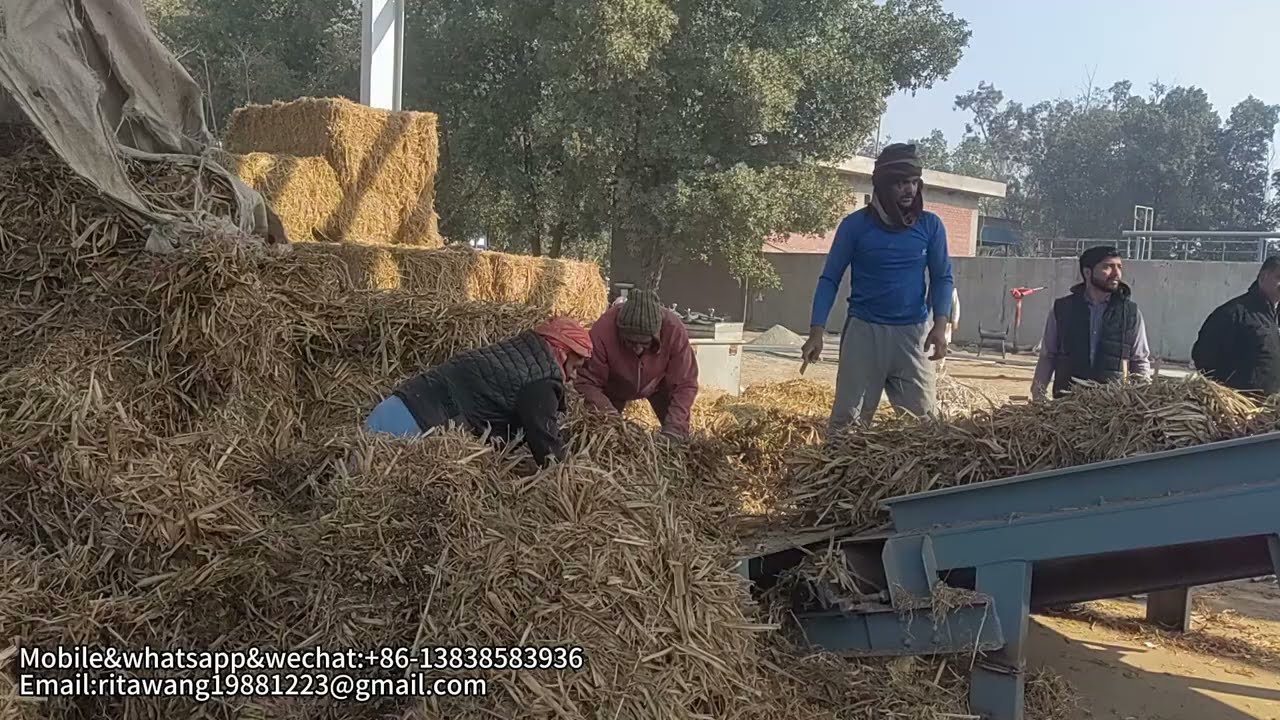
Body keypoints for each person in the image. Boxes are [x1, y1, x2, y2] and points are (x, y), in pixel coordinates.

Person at [800, 143, 954, 434]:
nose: (909, 190)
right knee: (847, 428)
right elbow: (830, 278)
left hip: (913, 336)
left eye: (913, 182)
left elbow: (942, 276)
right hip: (864, 335)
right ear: (883, 186)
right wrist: (816, 332)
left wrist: (940, 323)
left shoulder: (930, 226)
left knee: (926, 429)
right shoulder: (855, 226)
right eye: (900, 183)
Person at [363, 317, 593, 467]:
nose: (572, 377)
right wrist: (570, 473)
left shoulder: (514, 353)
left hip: (398, 405)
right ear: (561, 352)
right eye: (574, 367)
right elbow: (547, 449)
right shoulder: (540, 382)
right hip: (415, 427)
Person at [1030, 246, 1152, 400]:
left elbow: (1139, 360)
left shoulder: (1130, 313)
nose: (1117, 274)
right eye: (1108, 267)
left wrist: (1145, 399)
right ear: (1087, 272)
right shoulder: (1062, 309)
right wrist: (1038, 394)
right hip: (1067, 405)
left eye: (1119, 267)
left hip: (1111, 407)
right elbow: (1048, 356)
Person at [575, 289, 699, 438]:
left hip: (659, 385)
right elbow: (587, 382)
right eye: (631, 342)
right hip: (614, 387)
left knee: (676, 435)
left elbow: (684, 384)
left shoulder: (673, 330)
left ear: (656, 334)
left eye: (644, 343)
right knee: (608, 436)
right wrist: (613, 421)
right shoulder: (603, 330)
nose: (638, 348)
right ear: (620, 332)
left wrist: (675, 428)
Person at [1190, 256, 1280, 397]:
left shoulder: (1276, 317)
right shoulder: (1232, 314)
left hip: (1271, 411)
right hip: (1240, 410)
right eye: (1279, 277)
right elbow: (1203, 357)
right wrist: (1227, 395)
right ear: (1263, 276)